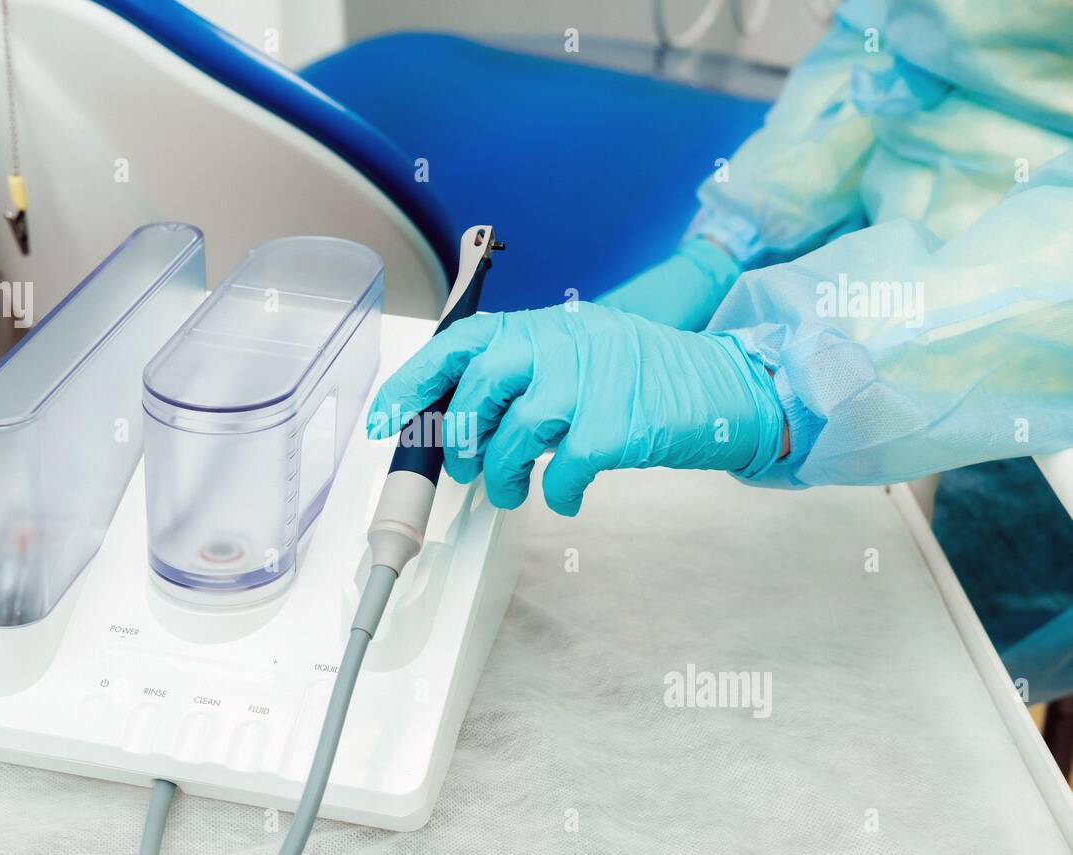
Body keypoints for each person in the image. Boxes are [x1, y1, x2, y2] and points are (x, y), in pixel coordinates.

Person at [366, 0, 1073, 700]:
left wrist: (786, 383)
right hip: (888, 269)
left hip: (1039, 363)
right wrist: (730, 242)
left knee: (953, 684)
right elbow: (886, 43)